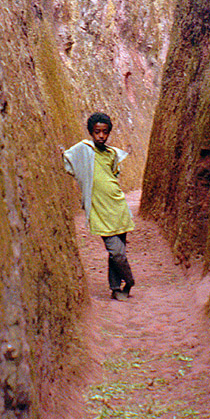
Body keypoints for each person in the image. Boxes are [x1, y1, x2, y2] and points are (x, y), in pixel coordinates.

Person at [63, 112, 136, 300]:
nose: (101, 136)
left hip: (118, 207)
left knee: (116, 254)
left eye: (105, 132)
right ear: (90, 132)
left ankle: (115, 288)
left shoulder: (112, 153)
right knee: (117, 252)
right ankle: (129, 281)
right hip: (100, 210)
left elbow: (114, 174)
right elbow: (69, 162)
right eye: (97, 132)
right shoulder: (84, 150)